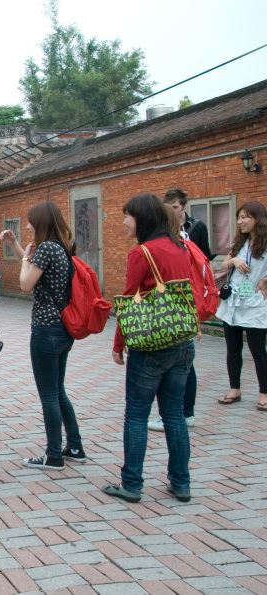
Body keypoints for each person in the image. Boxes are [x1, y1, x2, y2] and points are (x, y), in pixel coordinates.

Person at [105, 193, 194, 503]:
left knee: (137, 415)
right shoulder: (181, 247)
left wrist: (119, 344)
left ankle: (131, 484)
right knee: (174, 414)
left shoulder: (142, 252)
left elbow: (129, 302)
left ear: (141, 218)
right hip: (182, 340)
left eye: (127, 215)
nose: (124, 222)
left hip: (151, 345)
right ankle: (181, 482)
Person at [0, 202, 86, 470]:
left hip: (46, 330)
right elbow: (32, 271)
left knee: (48, 394)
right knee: (58, 390)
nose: (27, 226)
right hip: (62, 329)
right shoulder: (61, 247)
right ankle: (74, 446)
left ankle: (53, 455)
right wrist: (18, 248)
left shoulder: (47, 248)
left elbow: (26, 284)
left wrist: (24, 256)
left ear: (41, 223)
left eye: (30, 222)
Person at [148, 189, 212, 432]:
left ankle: (182, 412)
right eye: (168, 207)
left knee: (181, 360)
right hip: (175, 301)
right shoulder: (165, 232)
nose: (172, 212)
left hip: (184, 298)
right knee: (184, 358)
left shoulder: (196, 229)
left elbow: (204, 259)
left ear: (183, 207)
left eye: (175, 207)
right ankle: (182, 413)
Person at [214, 201, 267, 412]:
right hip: (233, 303)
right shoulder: (239, 242)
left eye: (245, 217)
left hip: (255, 302)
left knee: (258, 351)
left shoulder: (265, 243)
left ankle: (264, 392)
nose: (240, 221)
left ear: (257, 219)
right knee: (233, 349)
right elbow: (222, 265)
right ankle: (235, 389)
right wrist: (234, 260)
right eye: (239, 217)